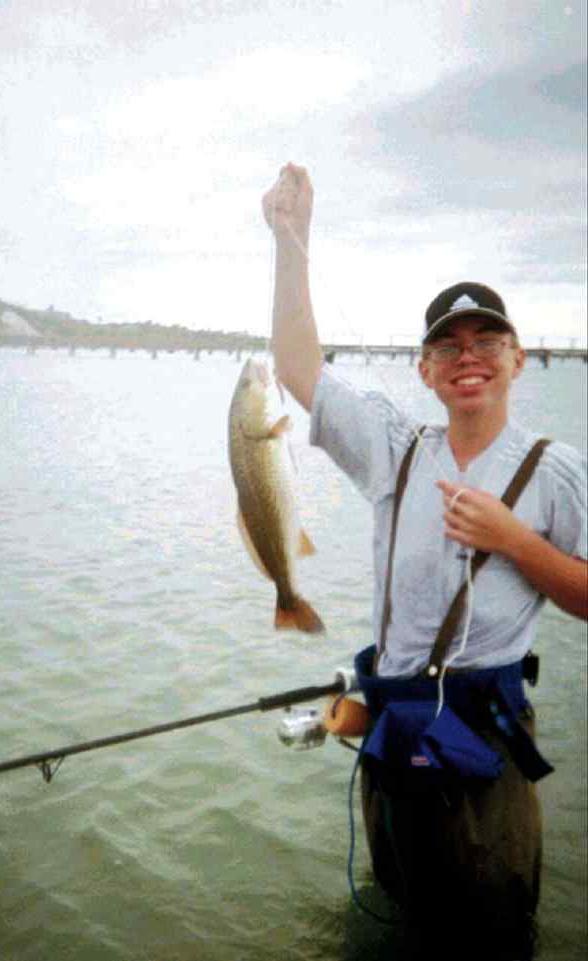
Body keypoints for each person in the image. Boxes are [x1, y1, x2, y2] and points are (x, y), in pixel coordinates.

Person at [262, 163, 588, 954]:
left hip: (487, 759)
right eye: (448, 345)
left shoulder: (555, 468)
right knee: (402, 914)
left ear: (518, 358)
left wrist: (514, 538)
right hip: (392, 739)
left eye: (487, 341)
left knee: (492, 935)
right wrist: (289, 241)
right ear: (425, 368)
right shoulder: (395, 449)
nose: (466, 355)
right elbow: (300, 368)